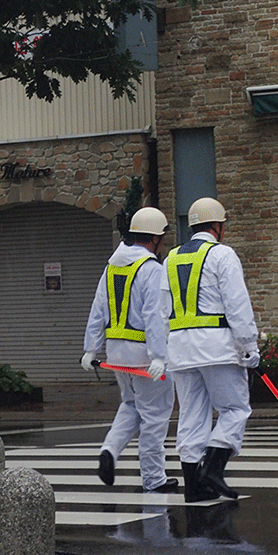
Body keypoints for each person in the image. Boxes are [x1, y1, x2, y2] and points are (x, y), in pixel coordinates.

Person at [160, 197, 260, 503]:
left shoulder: (171, 259)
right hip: (217, 346)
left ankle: (194, 486)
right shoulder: (222, 255)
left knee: (191, 415)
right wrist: (249, 346)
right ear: (218, 226)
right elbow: (237, 304)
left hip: (180, 348)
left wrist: (165, 350)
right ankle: (214, 468)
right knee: (235, 408)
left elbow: (163, 309)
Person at [81, 206, 178, 493]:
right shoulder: (152, 270)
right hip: (145, 356)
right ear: (156, 239)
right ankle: (153, 478)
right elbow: (155, 316)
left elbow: (98, 309)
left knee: (131, 405)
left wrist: (90, 349)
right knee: (156, 416)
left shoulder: (111, 267)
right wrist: (159, 356)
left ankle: (110, 450)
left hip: (116, 354)